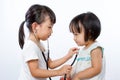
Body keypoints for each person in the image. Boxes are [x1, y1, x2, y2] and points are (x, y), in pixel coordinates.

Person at [18, 4, 79, 80]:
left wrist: (68, 56)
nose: (52, 31)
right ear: (35, 26)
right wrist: (59, 72)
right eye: (49, 27)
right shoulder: (30, 46)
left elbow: (50, 64)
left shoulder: (40, 45)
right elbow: (35, 72)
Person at [65, 12, 106, 80]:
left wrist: (78, 76)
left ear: (89, 33)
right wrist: (70, 73)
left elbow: (96, 69)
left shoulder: (95, 49)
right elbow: (79, 67)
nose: (74, 38)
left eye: (76, 34)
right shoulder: (84, 50)